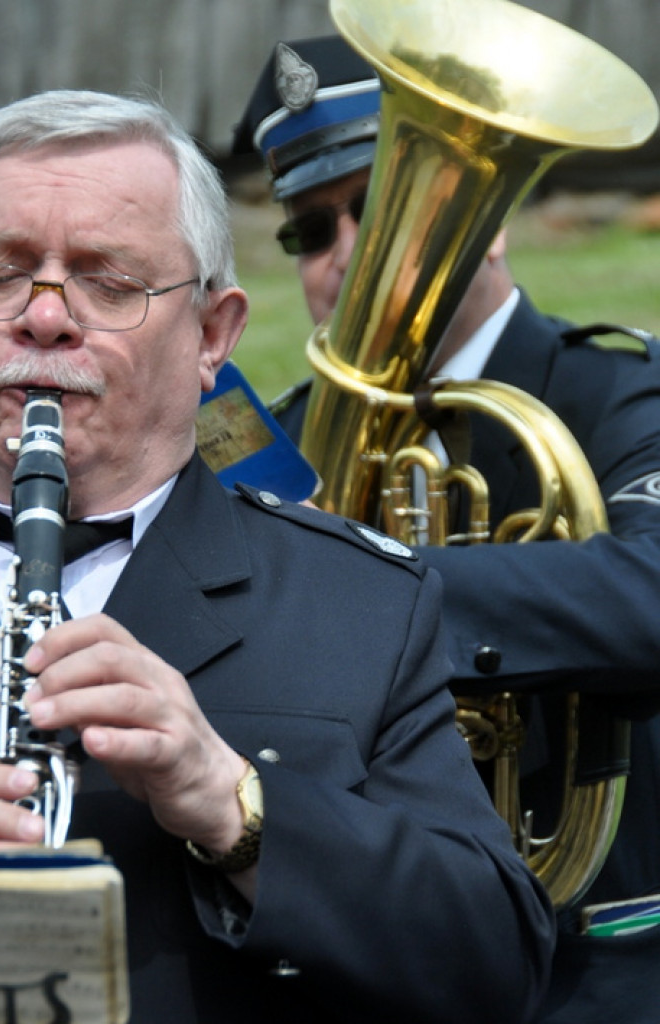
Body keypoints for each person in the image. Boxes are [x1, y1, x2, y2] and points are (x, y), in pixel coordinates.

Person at [0, 89, 555, 1023]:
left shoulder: (362, 603)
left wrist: (238, 804)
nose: (44, 319)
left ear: (212, 335)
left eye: (108, 282)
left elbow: (495, 970)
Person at [232, 34, 660, 1024]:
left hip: (592, 966)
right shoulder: (279, 441)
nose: (342, 256)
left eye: (374, 209)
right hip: (351, 955)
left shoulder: (616, 390)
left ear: (492, 218)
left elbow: (648, 595)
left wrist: (362, 581)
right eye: (307, 231)